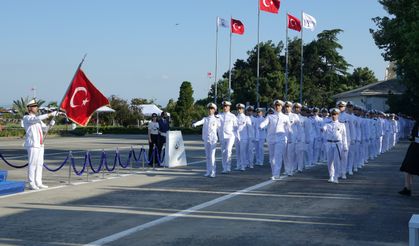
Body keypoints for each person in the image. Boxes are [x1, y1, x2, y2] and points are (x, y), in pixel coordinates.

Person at [22, 99, 57, 190]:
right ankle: (31, 183)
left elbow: (45, 129)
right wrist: (49, 114)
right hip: (33, 144)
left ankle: (38, 182)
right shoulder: (27, 118)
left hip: (40, 144)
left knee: (39, 164)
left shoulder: (37, 120)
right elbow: (36, 119)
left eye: (36, 106)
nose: (36, 108)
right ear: (29, 108)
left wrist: (51, 124)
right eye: (34, 106)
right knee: (32, 164)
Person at [259, 100, 290, 180]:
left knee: (278, 156)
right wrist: (261, 125)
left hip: (281, 139)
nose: (277, 107)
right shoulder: (270, 116)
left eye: (279, 105)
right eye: (276, 105)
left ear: (281, 106)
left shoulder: (285, 117)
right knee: (272, 158)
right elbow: (265, 122)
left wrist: (288, 138)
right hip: (271, 138)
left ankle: (276, 174)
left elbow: (288, 129)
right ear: (274, 107)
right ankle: (274, 173)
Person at [192, 103, 221, 178]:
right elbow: (200, 122)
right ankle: (208, 171)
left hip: (213, 139)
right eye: (209, 109)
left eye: (212, 109)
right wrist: (195, 124)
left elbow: (220, 129)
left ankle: (213, 171)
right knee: (207, 156)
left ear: (214, 110)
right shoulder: (205, 119)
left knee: (212, 156)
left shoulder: (217, 119)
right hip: (206, 139)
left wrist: (221, 139)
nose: (210, 110)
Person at [321, 108, 348, 184]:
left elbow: (344, 136)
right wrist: (322, 129)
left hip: (337, 144)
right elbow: (323, 129)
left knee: (337, 161)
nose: (334, 116)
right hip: (329, 144)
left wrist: (345, 146)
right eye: (332, 114)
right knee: (329, 161)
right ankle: (331, 176)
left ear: (338, 115)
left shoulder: (342, 125)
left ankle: (336, 177)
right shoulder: (327, 124)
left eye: (335, 114)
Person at [399, 119, 419, 196]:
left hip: (415, 146)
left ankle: (407, 188)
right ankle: (407, 188)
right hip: (415, 146)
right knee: (407, 168)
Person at [219, 101, 238, 173]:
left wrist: (236, 136)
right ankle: (224, 168)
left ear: (229, 107)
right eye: (224, 106)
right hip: (222, 136)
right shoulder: (219, 115)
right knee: (223, 152)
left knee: (228, 150)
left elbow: (236, 126)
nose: (225, 107)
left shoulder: (232, 116)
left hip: (230, 136)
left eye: (226, 106)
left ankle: (228, 167)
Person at [235, 103, 253, 171]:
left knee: (243, 152)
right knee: (237, 152)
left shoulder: (246, 118)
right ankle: (238, 165)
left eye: (241, 108)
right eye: (238, 109)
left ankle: (243, 165)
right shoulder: (235, 118)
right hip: (237, 137)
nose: (239, 110)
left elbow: (250, 128)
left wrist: (250, 138)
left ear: (243, 109)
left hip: (244, 137)